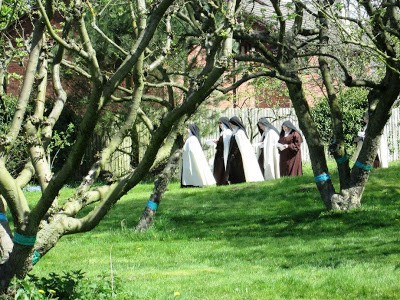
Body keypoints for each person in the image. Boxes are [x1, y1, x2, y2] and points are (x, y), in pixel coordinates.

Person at [225, 116, 264, 184]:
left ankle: (240, 181)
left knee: (240, 169)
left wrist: (234, 154)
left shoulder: (240, 133)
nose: (230, 125)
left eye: (231, 124)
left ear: (234, 124)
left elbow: (241, 146)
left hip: (239, 155)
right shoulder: (235, 132)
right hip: (234, 155)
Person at [212, 117, 232, 185]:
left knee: (222, 168)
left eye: (221, 123)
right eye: (219, 123)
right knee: (218, 168)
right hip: (219, 154)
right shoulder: (223, 132)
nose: (219, 124)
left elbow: (227, 144)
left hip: (223, 154)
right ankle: (219, 182)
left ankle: (223, 182)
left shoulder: (228, 132)